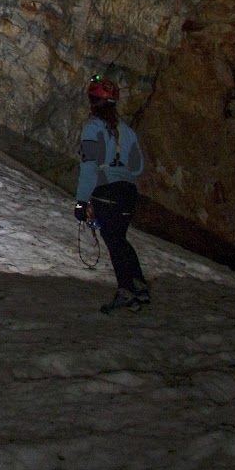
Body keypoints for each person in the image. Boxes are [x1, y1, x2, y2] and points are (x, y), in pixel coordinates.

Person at [75, 74, 150, 313]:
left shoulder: (92, 128)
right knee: (120, 238)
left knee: (113, 240)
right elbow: (138, 166)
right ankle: (138, 284)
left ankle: (126, 290)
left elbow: (89, 166)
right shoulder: (126, 130)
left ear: (92, 101)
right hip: (128, 192)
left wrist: (81, 201)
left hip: (106, 192)